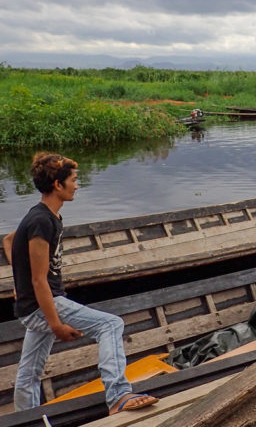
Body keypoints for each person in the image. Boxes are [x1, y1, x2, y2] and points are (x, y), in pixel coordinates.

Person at [2, 153, 158, 414]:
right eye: (73, 180)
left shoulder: (46, 216)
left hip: (34, 305)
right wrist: (56, 325)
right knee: (110, 325)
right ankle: (119, 395)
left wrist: (19, 283)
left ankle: (25, 418)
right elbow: (39, 280)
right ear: (57, 184)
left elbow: (9, 241)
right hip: (45, 303)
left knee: (29, 372)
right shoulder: (42, 220)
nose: (77, 185)